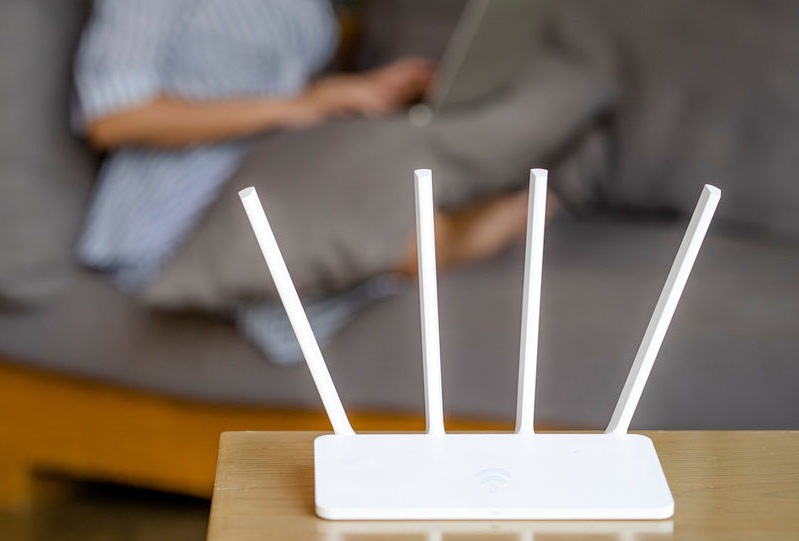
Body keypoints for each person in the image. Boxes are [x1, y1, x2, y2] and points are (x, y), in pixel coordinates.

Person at [74, 0, 532, 361]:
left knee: (406, 208)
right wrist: (299, 107)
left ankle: (507, 212)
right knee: (409, 238)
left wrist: (364, 90)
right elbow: (112, 115)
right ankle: (497, 225)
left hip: (281, 163)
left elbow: (295, 89)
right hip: (177, 204)